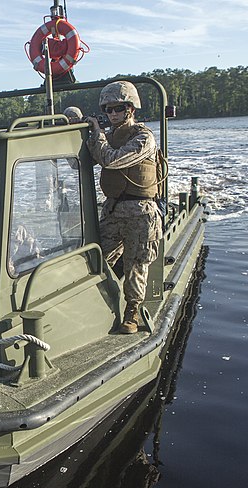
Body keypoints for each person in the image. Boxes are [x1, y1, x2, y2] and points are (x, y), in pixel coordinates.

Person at [85, 81, 162, 334]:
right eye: (108, 110)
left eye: (118, 108)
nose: (112, 114)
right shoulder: (107, 137)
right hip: (113, 210)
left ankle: (133, 310)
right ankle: (97, 301)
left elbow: (111, 160)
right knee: (94, 259)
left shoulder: (143, 137)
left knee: (136, 265)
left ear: (131, 109)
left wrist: (97, 134)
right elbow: (82, 165)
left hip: (140, 214)